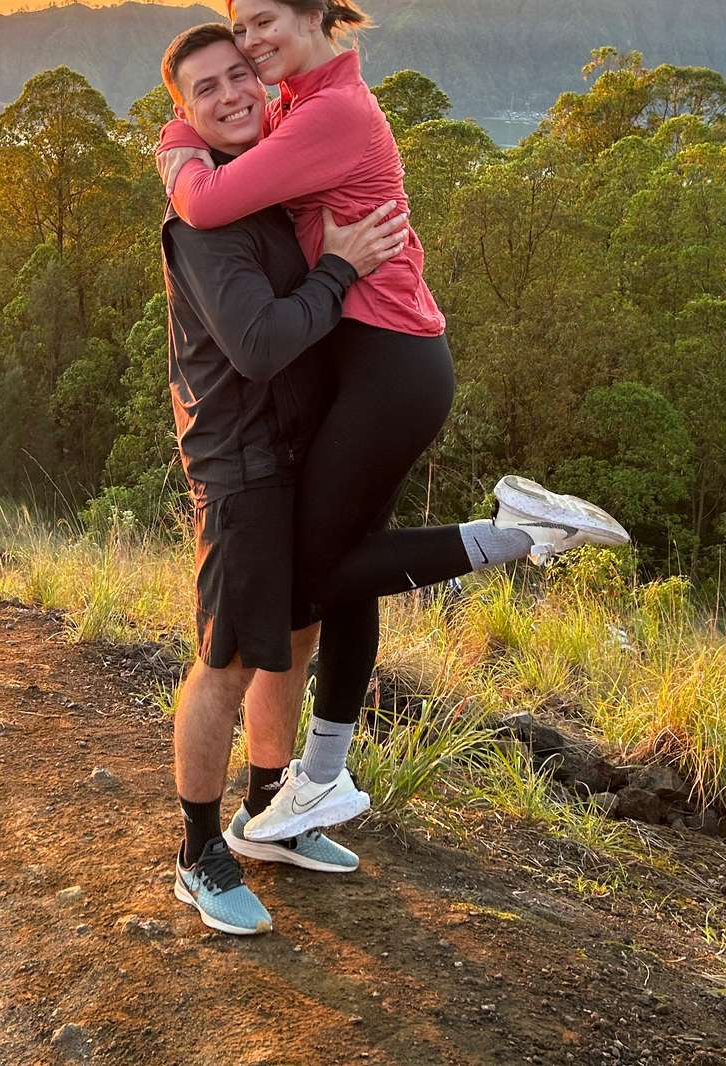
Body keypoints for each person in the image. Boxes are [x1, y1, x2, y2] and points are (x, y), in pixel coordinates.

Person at [156, 0, 631, 848]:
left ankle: (516, 535)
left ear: (313, 14)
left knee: (314, 571)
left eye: (263, 23)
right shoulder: (300, 102)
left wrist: (175, 149)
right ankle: (316, 782)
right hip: (377, 363)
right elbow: (232, 139)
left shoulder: (329, 112)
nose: (253, 45)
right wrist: (190, 122)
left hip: (387, 366)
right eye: (240, 28)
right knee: (338, 577)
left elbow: (206, 200)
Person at [156, 22, 409, 935]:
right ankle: (198, 853)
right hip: (240, 462)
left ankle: (269, 814)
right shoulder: (204, 226)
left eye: (240, 75)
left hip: (298, 447)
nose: (232, 94)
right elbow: (260, 345)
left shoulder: (263, 184)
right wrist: (340, 268)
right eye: (206, 90)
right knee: (226, 659)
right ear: (185, 114)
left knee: (296, 636)